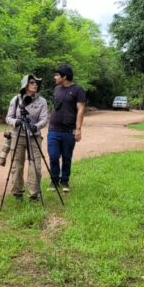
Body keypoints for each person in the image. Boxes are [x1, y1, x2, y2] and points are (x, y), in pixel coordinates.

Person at [5, 75, 48, 200]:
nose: (35, 85)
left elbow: (44, 119)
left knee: (36, 166)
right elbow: (8, 117)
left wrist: (36, 126)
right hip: (18, 136)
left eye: (36, 83)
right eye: (32, 83)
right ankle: (17, 192)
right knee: (17, 165)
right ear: (25, 85)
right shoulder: (16, 100)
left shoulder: (42, 101)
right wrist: (16, 122)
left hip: (34, 137)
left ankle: (33, 194)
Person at [48, 63, 85, 193]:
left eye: (57, 75)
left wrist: (78, 128)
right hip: (53, 129)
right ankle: (54, 180)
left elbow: (80, 109)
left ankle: (64, 181)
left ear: (64, 76)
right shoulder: (56, 89)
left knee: (66, 157)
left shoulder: (78, 90)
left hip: (68, 130)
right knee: (53, 156)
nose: (55, 77)